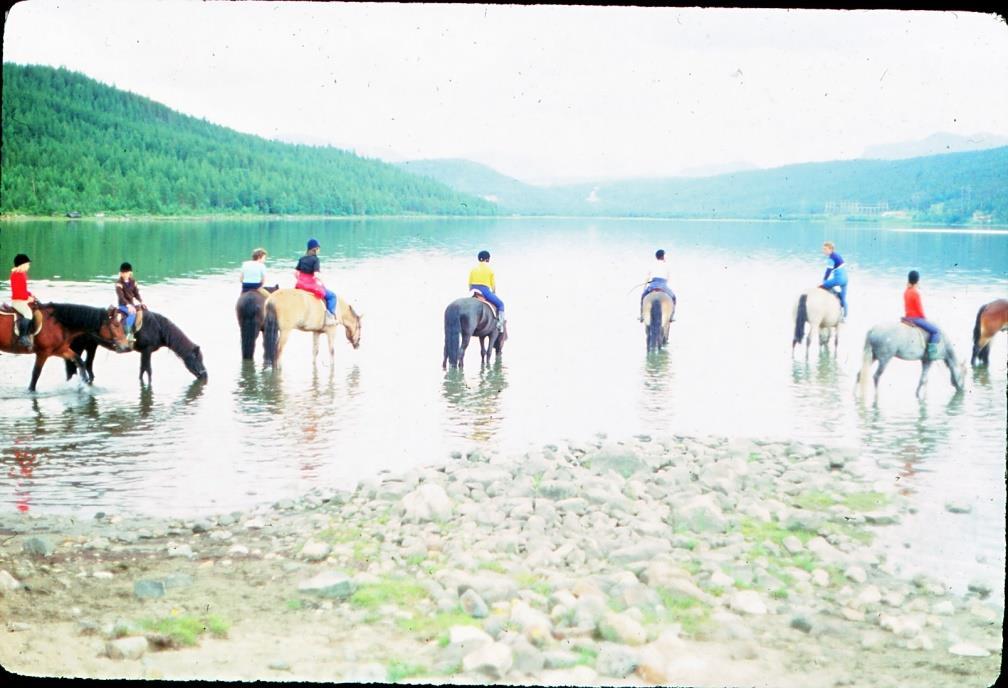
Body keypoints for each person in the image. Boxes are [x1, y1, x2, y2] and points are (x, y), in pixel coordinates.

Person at [295, 238, 337, 325]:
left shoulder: (302, 258)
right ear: (315, 249)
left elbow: (295, 273)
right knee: (332, 296)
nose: (319, 250)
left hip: (300, 285)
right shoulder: (316, 259)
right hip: (311, 286)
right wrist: (322, 282)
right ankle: (329, 317)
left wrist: (302, 280)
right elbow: (316, 275)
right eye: (318, 248)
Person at [903, 270, 941, 360]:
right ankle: (931, 354)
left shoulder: (906, 291)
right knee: (936, 331)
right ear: (917, 280)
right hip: (915, 319)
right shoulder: (915, 293)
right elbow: (919, 310)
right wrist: (924, 318)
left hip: (907, 318)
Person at [468, 250, 505, 331]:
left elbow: (469, 283)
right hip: (484, 290)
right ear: (488, 259)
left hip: (473, 290)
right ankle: (500, 325)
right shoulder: (490, 269)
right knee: (501, 304)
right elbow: (493, 286)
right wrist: (493, 293)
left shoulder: (473, 269)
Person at [639, 249, 677, 322]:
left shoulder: (652, 264)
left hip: (653, 284)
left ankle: (641, 316)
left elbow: (647, 277)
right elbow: (669, 278)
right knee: (673, 298)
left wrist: (644, 288)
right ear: (663, 256)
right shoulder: (667, 265)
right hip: (663, 285)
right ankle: (671, 317)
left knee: (643, 297)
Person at [9, 254, 36, 350]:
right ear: (22, 264)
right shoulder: (17, 275)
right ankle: (22, 337)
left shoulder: (22, 274)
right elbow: (17, 292)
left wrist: (30, 295)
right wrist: (27, 298)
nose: (29, 266)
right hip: (18, 301)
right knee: (28, 314)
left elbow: (23, 289)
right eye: (28, 264)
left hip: (22, 299)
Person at [116, 262, 145, 344]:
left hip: (131, 304)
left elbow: (136, 293)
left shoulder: (133, 282)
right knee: (132, 313)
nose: (125, 274)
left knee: (143, 311)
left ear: (130, 273)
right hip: (123, 305)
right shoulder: (119, 283)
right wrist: (128, 305)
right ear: (121, 273)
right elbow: (121, 296)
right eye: (123, 273)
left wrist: (141, 301)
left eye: (126, 273)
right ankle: (128, 334)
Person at [819, 241, 848, 320]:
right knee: (843, 298)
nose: (823, 251)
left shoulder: (831, 258)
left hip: (839, 279)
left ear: (831, 249)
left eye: (825, 249)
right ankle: (845, 317)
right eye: (823, 249)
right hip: (845, 279)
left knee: (822, 286)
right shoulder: (837, 255)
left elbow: (828, 270)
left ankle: (836, 295)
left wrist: (824, 280)